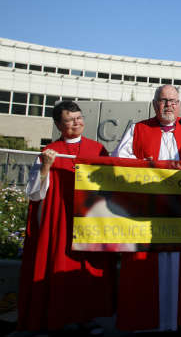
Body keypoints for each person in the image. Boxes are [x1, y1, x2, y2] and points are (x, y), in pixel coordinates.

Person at [112, 84, 181, 331]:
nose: (168, 105)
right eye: (162, 100)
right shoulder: (138, 129)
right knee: (144, 269)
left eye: (172, 101)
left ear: (180, 105)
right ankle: (145, 323)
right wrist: (141, 166)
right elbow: (120, 160)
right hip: (147, 214)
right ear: (154, 103)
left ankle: (179, 322)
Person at [18, 100, 115, 335]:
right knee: (55, 268)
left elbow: (110, 183)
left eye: (79, 117)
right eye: (70, 120)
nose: (77, 122)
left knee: (85, 272)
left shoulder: (98, 149)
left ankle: (86, 318)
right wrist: (45, 167)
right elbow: (33, 193)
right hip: (59, 221)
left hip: (88, 219)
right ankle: (53, 318)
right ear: (59, 124)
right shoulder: (48, 151)